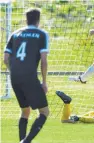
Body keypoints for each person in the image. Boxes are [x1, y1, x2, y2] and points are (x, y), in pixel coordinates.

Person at [3, 8, 50, 143]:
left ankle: (21, 140)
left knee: (25, 111)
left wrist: (15, 72)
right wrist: (44, 82)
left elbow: (5, 59)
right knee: (44, 112)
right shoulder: (42, 34)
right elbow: (44, 61)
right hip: (29, 77)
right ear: (38, 20)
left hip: (14, 76)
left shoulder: (15, 34)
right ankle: (26, 141)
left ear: (26, 19)